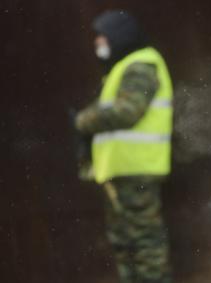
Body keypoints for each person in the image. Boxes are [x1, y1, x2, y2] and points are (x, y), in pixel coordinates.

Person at [74, 10, 173, 283]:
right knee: (126, 245)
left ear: (119, 36)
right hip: (121, 173)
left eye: (102, 37)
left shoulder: (141, 64)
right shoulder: (122, 68)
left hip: (137, 171)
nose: (98, 44)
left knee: (145, 245)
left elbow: (128, 111)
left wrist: (83, 120)